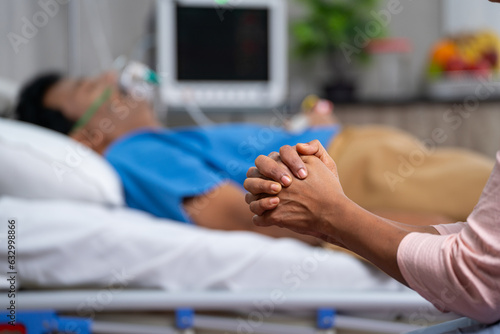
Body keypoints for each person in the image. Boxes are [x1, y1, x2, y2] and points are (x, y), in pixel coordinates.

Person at [15, 71, 493, 245]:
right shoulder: (133, 154)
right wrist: (408, 235)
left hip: (364, 159)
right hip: (362, 174)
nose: (108, 76)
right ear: (83, 137)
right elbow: (236, 219)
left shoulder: (158, 141)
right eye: (87, 87)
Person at [243, 139, 500, 324]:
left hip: (352, 153)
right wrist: (328, 218)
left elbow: (478, 275)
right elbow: (477, 247)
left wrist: (330, 213)